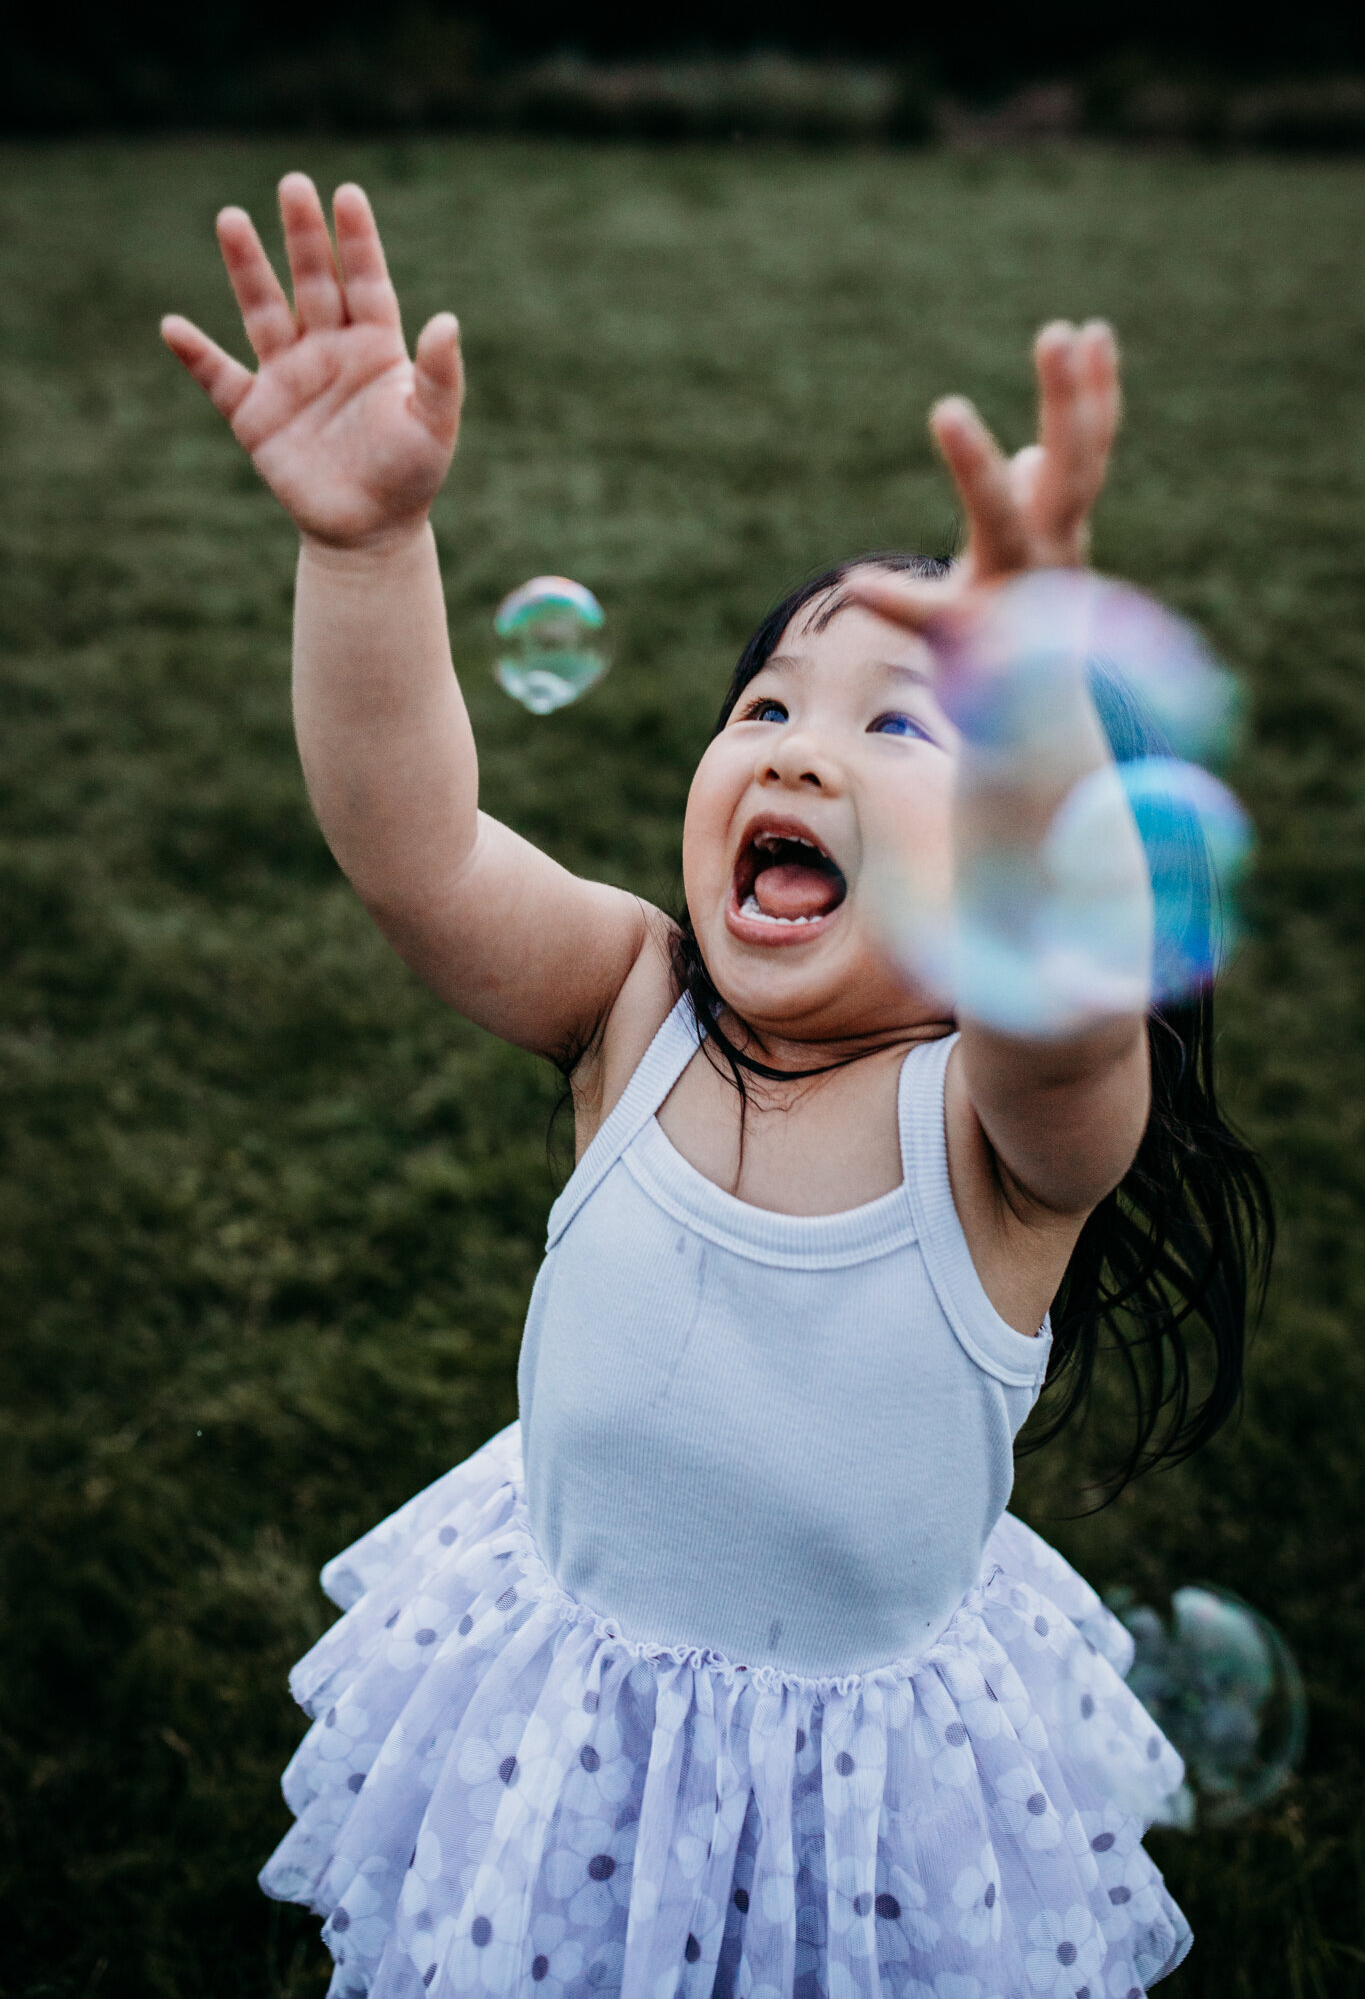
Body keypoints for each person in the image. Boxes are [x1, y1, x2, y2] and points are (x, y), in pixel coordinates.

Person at [163, 173, 1270, 1999]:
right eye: (770, 703)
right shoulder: (628, 1002)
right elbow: (412, 846)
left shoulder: (1004, 1139)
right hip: (571, 1710)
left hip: (862, 1796)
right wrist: (366, 548)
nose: (800, 748)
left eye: (903, 723)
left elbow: (1060, 1004)